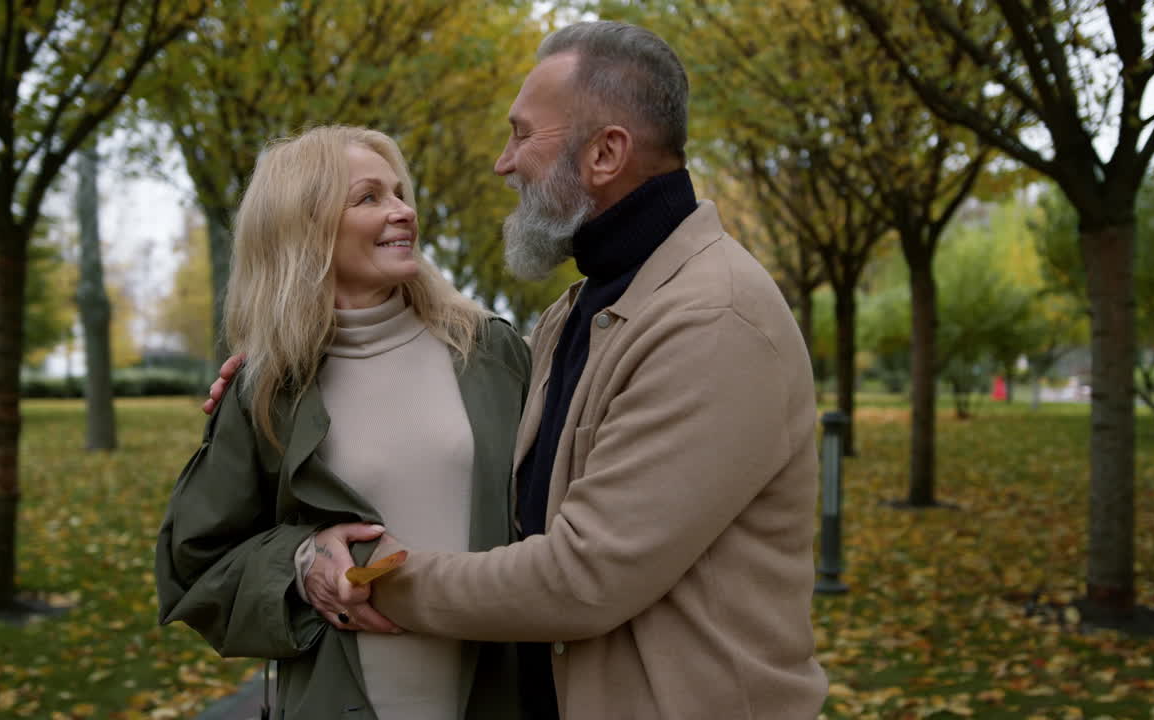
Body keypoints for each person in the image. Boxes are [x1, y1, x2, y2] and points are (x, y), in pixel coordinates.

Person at [208, 21, 827, 720]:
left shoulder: (712, 318)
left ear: (605, 153)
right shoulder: (580, 311)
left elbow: (581, 577)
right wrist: (279, 369)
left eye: (521, 134)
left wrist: (361, 581)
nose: (503, 163)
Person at [155, 125, 529, 720]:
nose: (404, 211)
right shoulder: (266, 388)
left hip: (497, 695)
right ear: (305, 229)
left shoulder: (490, 353)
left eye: (400, 193)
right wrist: (302, 564)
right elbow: (195, 564)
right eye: (369, 198)